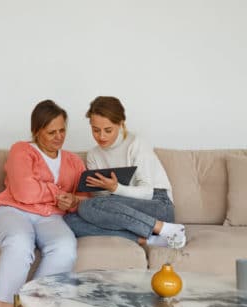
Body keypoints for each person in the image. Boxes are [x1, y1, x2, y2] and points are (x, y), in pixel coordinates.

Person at [0, 100, 87, 307]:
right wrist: (58, 193)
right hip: (12, 211)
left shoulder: (73, 161)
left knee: (65, 247)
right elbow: (25, 192)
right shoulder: (21, 150)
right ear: (36, 131)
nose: (58, 137)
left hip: (50, 218)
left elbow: (85, 199)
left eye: (62, 130)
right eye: (51, 132)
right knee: (19, 242)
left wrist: (72, 201)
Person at [64, 96, 187, 249]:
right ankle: (149, 239)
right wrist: (77, 200)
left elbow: (148, 192)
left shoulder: (136, 144)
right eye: (96, 130)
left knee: (88, 206)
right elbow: (104, 203)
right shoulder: (93, 155)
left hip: (158, 204)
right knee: (69, 221)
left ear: (120, 124)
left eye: (108, 130)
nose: (101, 136)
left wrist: (116, 189)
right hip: (123, 212)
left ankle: (166, 228)